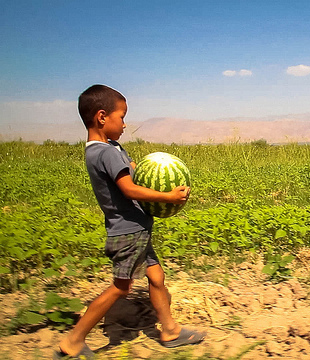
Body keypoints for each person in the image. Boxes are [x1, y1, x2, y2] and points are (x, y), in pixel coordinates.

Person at [56, 84, 205, 358]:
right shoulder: (106, 153)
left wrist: (154, 165)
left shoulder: (106, 148)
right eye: (121, 117)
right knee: (120, 288)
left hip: (135, 228)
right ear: (102, 117)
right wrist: (167, 196)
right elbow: (129, 189)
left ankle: (170, 330)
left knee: (156, 277)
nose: (125, 124)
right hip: (129, 232)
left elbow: (132, 170)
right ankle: (74, 339)